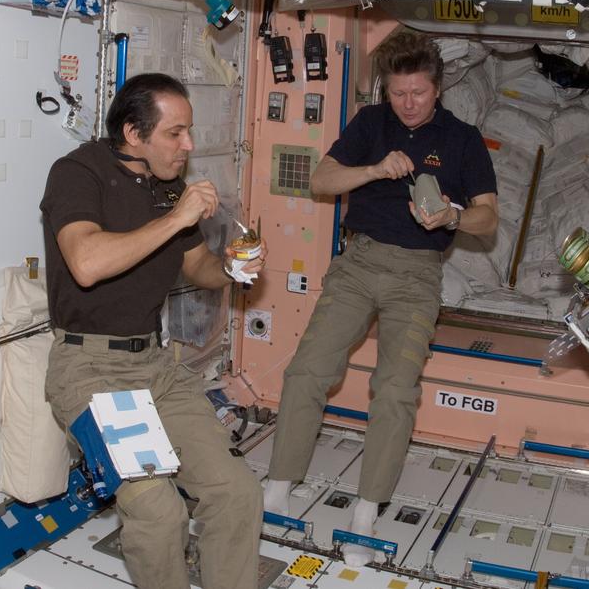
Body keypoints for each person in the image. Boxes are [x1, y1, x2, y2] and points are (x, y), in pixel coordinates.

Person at [262, 31, 498, 566]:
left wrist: (453, 216)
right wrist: (373, 168)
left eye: (418, 93)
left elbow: (488, 219)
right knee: (308, 370)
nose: (408, 103)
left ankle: (365, 513)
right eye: (398, 93)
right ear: (386, 90)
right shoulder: (371, 123)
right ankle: (278, 487)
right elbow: (323, 180)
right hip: (359, 264)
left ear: (438, 88)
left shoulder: (463, 139)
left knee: (394, 389)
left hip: (417, 276)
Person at [40, 72, 265, 589]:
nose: (188, 145)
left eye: (189, 131)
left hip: (155, 369)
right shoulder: (77, 173)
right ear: (133, 133)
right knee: (159, 512)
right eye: (175, 133)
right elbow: (86, 263)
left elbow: (198, 266)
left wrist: (232, 267)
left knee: (237, 492)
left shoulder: (168, 187)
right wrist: (177, 217)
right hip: (93, 373)